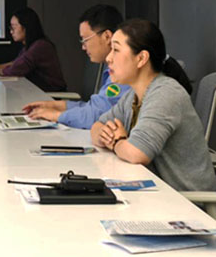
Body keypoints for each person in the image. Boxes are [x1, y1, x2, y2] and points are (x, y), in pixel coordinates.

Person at [90, 19, 216, 192]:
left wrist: (116, 142)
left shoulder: (166, 94)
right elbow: (97, 126)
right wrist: (107, 135)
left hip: (185, 200)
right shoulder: (133, 95)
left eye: (116, 50)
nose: (108, 58)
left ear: (141, 58)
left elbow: (137, 153)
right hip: (157, 192)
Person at [22, 4, 131, 128]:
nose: (83, 47)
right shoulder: (110, 68)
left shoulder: (123, 71)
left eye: (85, 40)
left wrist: (56, 115)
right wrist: (56, 105)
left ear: (107, 36)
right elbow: (94, 108)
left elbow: (97, 115)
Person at [0, 7, 66, 91]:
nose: (11, 32)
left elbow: (13, 70)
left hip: (51, 96)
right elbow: (15, 63)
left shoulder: (40, 46)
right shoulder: (32, 45)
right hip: (38, 93)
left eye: (13, 27)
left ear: (26, 27)